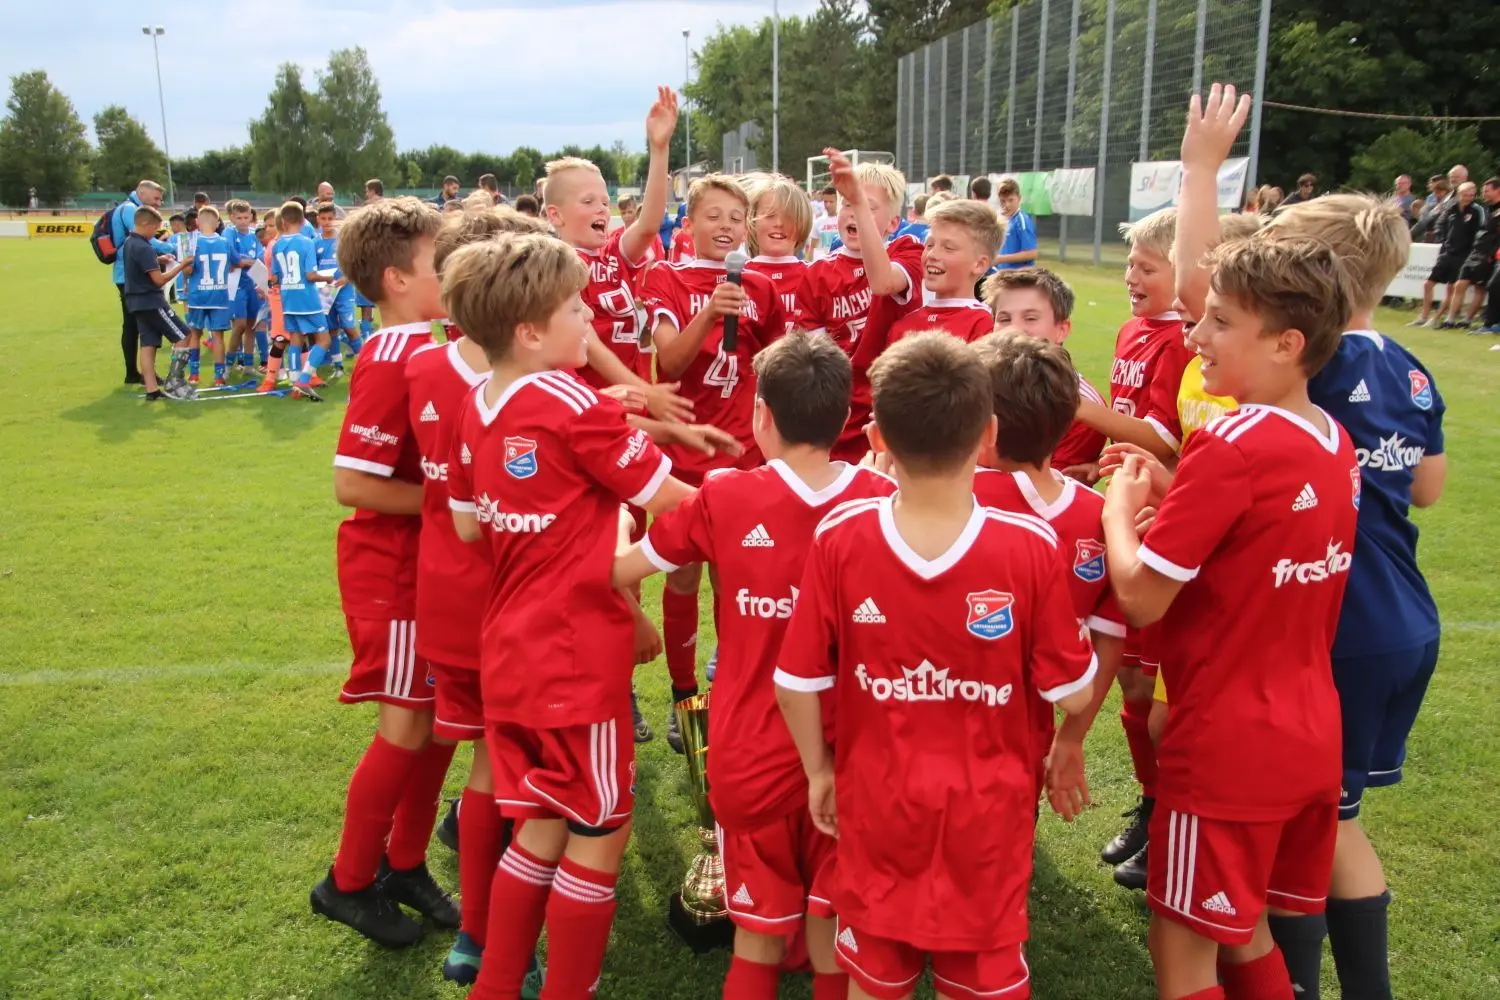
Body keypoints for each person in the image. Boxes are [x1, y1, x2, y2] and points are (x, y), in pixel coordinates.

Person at [775, 331, 1096, 1000]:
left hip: (877, 805)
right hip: (989, 819)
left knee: (874, 979)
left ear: (878, 438)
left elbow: (796, 681)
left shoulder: (842, 534)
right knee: (980, 982)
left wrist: (818, 771)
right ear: (988, 435)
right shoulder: (1030, 545)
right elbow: (1073, 690)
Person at [440, 233, 698, 1000]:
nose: (588, 317)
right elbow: (673, 501)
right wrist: (779, 494)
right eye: (576, 306)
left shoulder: (476, 400)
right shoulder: (570, 402)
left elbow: (466, 527)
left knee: (543, 825)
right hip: (574, 656)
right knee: (601, 831)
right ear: (529, 330)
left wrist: (582, 517)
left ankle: (494, 982)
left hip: (510, 649)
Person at [1104, 233, 1357, 1000]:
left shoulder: (1230, 441)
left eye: (1219, 322)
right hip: (1311, 735)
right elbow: (1250, 555)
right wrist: (1171, 507)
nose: (1196, 338)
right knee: (1243, 932)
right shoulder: (1332, 439)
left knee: (1183, 950)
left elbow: (1141, 596)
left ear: (1287, 343)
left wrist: (1121, 513)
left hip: (1227, 749)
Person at [613, 330, 894, 1000]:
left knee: (758, 935)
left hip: (749, 751)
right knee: (834, 936)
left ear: (761, 415)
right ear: (845, 418)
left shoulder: (725, 497)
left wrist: (613, 528)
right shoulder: (884, 503)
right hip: (854, 754)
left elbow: (622, 571)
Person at [1262, 191, 1447, 1000]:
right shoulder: (1410, 365)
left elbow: (1211, 295)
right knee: (1334, 821)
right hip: (1405, 615)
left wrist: (1200, 171)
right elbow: (1430, 488)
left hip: (1347, 625)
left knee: (1312, 828)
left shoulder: (1321, 362)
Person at [403, 206, 550, 992]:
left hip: (450, 599)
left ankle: (476, 935)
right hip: (518, 604)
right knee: (520, 774)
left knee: (489, 769)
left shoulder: (423, 369)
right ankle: (500, 943)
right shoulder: (548, 384)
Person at [309, 197, 454, 949]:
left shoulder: (429, 346)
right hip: (391, 572)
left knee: (436, 731)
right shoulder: (394, 355)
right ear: (398, 279)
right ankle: (347, 880)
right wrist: (455, 500)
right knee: (404, 727)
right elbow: (355, 484)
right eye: (441, 261)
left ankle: (404, 865)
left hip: (430, 569)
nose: (454, 272)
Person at [639, 173, 787, 748]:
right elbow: (669, 366)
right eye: (713, 215)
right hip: (682, 456)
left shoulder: (763, 286)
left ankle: (729, 690)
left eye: (735, 218)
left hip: (744, 458)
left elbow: (774, 366)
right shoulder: (666, 277)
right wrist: (709, 311)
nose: (725, 227)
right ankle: (683, 699)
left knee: (737, 583)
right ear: (689, 221)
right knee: (681, 579)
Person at [969, 331, 1127, 821]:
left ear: (981, 425)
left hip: (923, 714)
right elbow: (1109, 640)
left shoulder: (952, 499)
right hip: (1026, 736)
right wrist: (1072, 736)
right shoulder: (1099, 514)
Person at [544, 87, 679, 395]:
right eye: (588, 201)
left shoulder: (612, 254)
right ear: (555, 214)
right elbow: (589, 345)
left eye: (605, 201)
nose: (602, 208)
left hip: (633, 387)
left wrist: (659, 150)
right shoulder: (553, 266)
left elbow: (648, 226)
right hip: (593, 395)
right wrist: (642, 391)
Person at [799, 150, 924, 461]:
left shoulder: (906, 250)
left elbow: (882, 283)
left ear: (893, 222)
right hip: (840, 413)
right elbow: (816, 359)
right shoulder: (816, 274)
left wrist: (856, 200)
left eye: (867, 207)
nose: (854, 212)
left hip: (897, 408)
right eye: (847, 204)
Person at [982, 266, 1107, 478]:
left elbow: (1048, 491)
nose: (1013, 329)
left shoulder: (1084, 409)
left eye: (1030, 318)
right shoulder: (973, 382)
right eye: (1004, 319)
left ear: (1062, 330)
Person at [851, 198, 1000, 362]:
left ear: (979, 264)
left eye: (948, 248)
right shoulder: (902, 326)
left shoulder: (985, 324)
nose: (932, 255)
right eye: (929, 245)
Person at [120, 203, 195, 400]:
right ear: (145, 224)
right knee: (184, 334)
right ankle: (174, 381)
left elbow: (141, 265)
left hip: (135, 302)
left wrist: (159, 260)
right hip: (151, 300)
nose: (155, 233)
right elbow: (159, 280)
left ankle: (152, 390)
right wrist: (182, 265)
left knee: (148, 343)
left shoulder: (130, 242)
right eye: (154, 228)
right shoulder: (143, 246)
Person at [269, 201, 334, 399]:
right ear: (302, 219)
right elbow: (310, 275)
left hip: (288, 300)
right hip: (307, 299)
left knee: (296, 338)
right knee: (324, 339)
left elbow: (274, 278)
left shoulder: (277, 244)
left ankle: (295, 382)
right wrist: (327, 278)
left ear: (284, 221)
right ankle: (304, 380)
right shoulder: (306, 242)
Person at [111, 179, 166, 384]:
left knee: (134, 324)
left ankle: (135, 373)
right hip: (130, 275)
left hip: (129, 273)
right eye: (156, 198)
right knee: (139, 325)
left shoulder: (130, 208)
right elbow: (146, 239)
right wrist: (173, 249)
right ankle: (136, 373)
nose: (159, 202)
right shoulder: (130, 210)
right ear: (142, 193)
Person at [745, 173, 814, 334]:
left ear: (803, 223)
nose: (779, 224)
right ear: (751, 220)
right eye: (769, 215)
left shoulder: (816, 276)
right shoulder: (734, 277)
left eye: (788, 217)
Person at [1412, 181, 1481, 327]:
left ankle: (1435, 318)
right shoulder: (1451, 208)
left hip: (1462, 254)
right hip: (1447, 252)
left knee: (1451, 289)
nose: (1467, 198)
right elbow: (1439, 224)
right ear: (1459, 194)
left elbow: (1479, 232)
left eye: (1471, 195)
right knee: (1428, 284)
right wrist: (1443, 238)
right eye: (1465, 195)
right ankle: (1423, 316)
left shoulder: (1475, 211)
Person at [183, 205, 235, 387]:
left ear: (197, 222)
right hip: (219, 295)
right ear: (218, 223)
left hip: (198, 296)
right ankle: (219, 377)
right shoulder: (225, 242)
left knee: (194, 334)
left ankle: (194, 374)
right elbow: (235, 263)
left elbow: (188, 271)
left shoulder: (193, 243)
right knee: (218, 336)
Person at [314, 203, 360, 377]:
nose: (327, 222)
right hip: (325, 291)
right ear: (318, 220)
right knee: (331, 329)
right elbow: (313, 268)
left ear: (336, 219)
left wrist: (346, 278)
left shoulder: (343, 241)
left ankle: (362, 362)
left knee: (348, 326)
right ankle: (338, 366)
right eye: (323, 219)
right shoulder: (315, 242)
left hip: (345, 289)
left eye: (330, 219)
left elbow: (355, 264)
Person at [1450, 177, 1500, 329]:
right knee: (1462, 284)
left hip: (1489, 255)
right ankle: (1451, 320)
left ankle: (1486, 322)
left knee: (1490, 287)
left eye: (1487, 191)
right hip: (1478, 251)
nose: (1483, 194)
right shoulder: (1488, 208)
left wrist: (1491, 254)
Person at [224, 199, 264, 373]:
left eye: (245, 217)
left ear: (251, 217)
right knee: (239, 325)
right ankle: (227, 364)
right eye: (239, 217)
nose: (242, 221)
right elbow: (232, 258)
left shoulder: (255, 235)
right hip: (236, 285)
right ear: (232, 218)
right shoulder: (229, 233)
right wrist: (243, 262)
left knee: (251, 325)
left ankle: (248, 364)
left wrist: (244, 262)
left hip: (253, 283)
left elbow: (260, 260)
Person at [993, 178, 1038, 270]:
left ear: (1019, 199)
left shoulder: (1021, 220)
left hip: (1019, 277)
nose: (1007, 205)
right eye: (1003, 201)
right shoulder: (1003, 219)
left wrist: (1000, 259)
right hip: (1005, 274)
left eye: (1011, 200)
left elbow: (1031, 253)